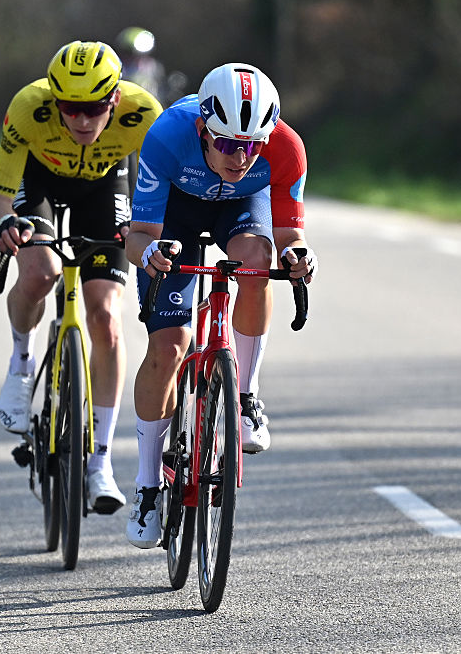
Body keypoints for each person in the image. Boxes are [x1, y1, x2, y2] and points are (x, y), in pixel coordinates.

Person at [124, 63, 317, 548]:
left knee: (258, 259)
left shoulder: (286, 149)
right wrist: (150, 254)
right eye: (228, 144)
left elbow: (291, 233)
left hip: (240, 209)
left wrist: (299, 255)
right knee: (169, 348)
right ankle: (148, 484)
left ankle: (246, 397)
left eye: (252, 145)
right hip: (177, 214)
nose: (241, 157)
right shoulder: (167, 136)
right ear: (202, 129)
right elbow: (139, 235)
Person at [0, 40, 163, 515]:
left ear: (116, 101)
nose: (82, 122)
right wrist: (6, 224)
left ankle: (100, 462)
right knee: (40, 272)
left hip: (105, 186)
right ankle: (22, 364)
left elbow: (161, 195)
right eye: (70, 109)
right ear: (54, 101)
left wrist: (144, 233)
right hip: (39, 182)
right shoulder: (28, 108)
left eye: (94, 110)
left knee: (105, 316)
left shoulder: (144, 114)